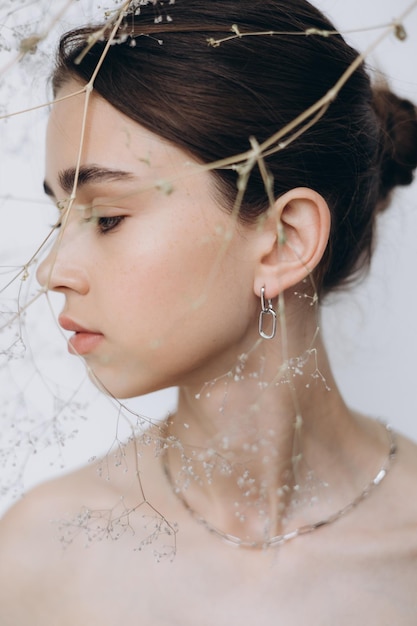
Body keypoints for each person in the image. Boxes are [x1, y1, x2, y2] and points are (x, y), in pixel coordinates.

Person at [1, 0, 417, 623]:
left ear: (285, 240)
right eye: (63, 219)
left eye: (107, 216)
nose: (54, 272)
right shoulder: (41, 554)